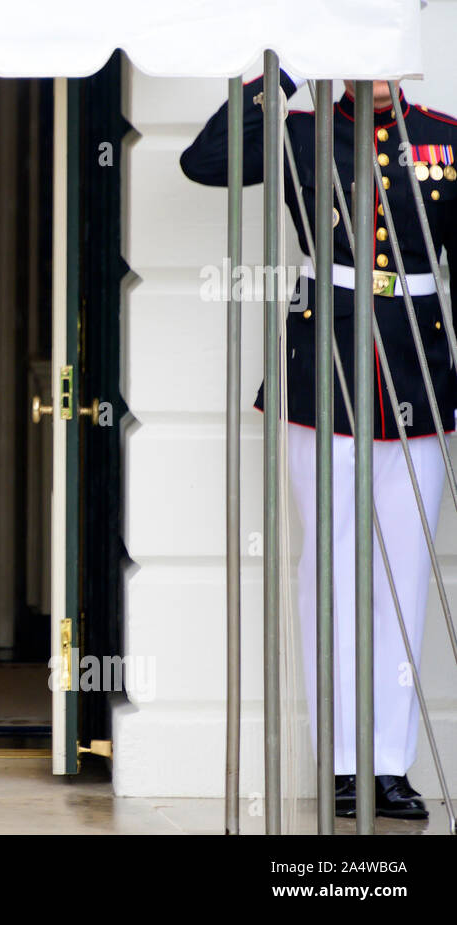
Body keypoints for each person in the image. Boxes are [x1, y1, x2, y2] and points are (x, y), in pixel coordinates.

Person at [181, 74, 457, 819]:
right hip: (323, 374)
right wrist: (281, 75)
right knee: (328, 572)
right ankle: (339, 762)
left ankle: (389, 766)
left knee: (404, 577)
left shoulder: (445, 137)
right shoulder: (301, 131)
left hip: (417, 371)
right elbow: (205, 161)